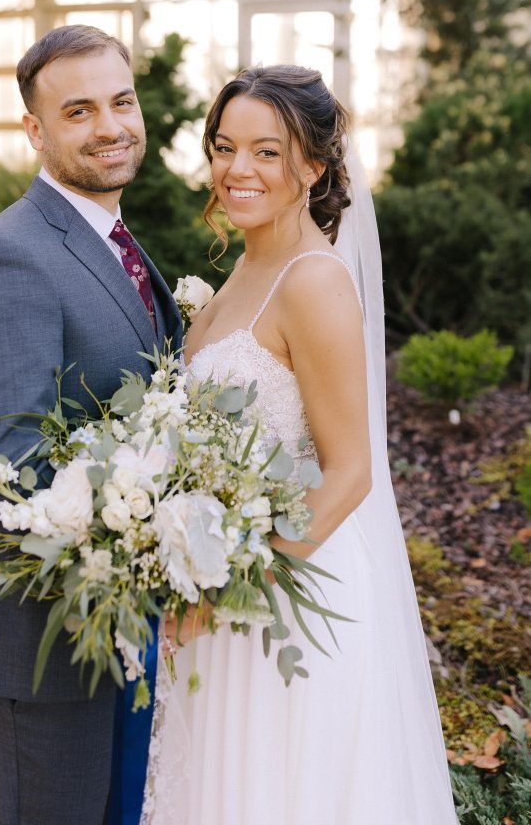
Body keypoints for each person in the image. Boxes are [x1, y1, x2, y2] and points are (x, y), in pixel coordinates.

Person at [142, 65, 459, 825]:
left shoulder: (313, 279)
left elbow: (351, 472)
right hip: (221, 590)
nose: (237, 169)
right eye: (224, 147)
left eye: (267, 152)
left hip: (283, 598)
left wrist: (227, 584)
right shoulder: (246, 265)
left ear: (314, 166)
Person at [0, 24, 182, 825]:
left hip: (129, 629)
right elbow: (7, 465)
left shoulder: (110, 240)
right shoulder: (6, 257)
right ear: (36, 132)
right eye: (78, 111)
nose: (110, 126)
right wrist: (164, 510)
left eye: (121, 101)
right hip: (50, 648)